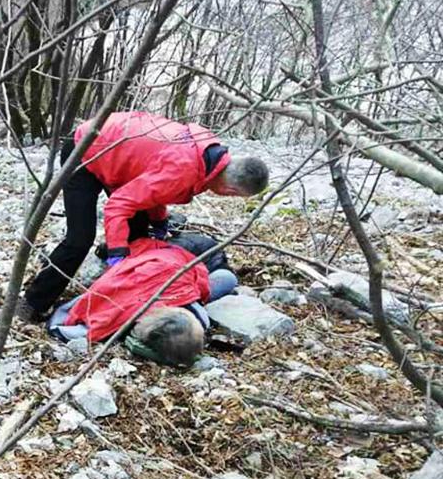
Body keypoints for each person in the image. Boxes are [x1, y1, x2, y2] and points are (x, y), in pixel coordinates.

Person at [19, 111, 268, 322]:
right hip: (85, 150)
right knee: (80, 238)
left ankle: (125, 291)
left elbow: (153, 183)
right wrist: (118, 254)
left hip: (119, 159)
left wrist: (159, 221)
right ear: (231, 191)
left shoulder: (211, 156)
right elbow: (119, 204)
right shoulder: (186, 167)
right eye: (232, 197)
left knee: (139, 234)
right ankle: (32, 304)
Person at [47, 234, 238, 366]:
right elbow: (67, 321)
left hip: (175, 256)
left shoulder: (197, 316)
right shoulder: (113, 320)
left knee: (225, 276)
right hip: (186, 254)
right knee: (228, 278)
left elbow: (66, 321)